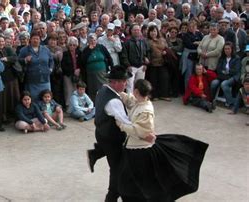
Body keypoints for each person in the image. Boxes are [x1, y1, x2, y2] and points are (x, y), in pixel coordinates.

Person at [117, 79, 208, 201]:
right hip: (133, 148)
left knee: (137, 182)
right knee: (131, 181)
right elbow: (130, 100)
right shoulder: (139, 101)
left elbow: (140, 131)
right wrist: (118, 93)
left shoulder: (146, 110)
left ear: (137, 91)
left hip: (140, 152)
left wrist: (121, 125)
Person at [87, 65, 130, 201]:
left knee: (113, 158)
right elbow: (126, 123)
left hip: (101, 132)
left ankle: (96, 152)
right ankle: (111, 197)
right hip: (111, 137)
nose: (126, 83)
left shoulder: (103, 90)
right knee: (117, 168)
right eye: (124, 81)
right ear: (115, 82)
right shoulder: (113, 101)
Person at [18, 31, 54, 101]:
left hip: (45, 78)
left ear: (40, 40)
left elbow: (51, 60)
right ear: (30, 39)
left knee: (46, 97)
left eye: (37, 39)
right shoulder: (24, 50)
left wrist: (51, 69)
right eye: (34, 38)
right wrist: (25, 60)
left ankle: (45, 110)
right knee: (33, 97)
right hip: (32, 80)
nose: (35, 40)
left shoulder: (45, 49)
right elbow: (18, 60)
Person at [79, 34, 113, 101]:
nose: (93, 42)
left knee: (104, 87)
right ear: (88, 41)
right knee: (93, 89)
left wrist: (111, 67)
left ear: (96, 40)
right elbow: (82, 61)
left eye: (94, 40)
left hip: (102, 73)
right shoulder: (86, 50)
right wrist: (89, 50)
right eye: (91, 40)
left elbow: (109, 57)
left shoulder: (101, 47)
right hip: (91, 74)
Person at [121, 24, 150, 93]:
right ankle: (130, 102)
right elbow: (124, 55)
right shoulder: (127, 42)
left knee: (140, 85)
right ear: (131, 31)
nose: (137, 31)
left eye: (138, 30)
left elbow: (148, 52)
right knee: (130, 85)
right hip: (131, 67)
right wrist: (128, 65)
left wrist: (146, 64)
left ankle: (139, 100)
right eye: (135, 30)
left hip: (141, 66)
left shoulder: (143, 41)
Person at [211, 42, 241, 108]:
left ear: (232, 49)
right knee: (213, 83)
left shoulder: (236, 58)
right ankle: (212, 100)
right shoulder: (222, 58)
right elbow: (218, 69)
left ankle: (230, 103)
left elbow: (235, 70)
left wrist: (226, 71)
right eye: (225, 49)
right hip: (222, 76)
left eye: (228, 49)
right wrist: (225, 72)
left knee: (224, 84)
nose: (227, 50)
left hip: (233, 77)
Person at [146, 25, 171, 101]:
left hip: (163, 62)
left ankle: (164, 95)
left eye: (154, 31)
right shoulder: (147, 41)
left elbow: (167, 48)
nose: (153, 33)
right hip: (152, 63)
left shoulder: (162, 39)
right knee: (153, 80)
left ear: (157, 31)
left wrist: (165, 52)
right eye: (151, 31)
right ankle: (155, 95)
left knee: (164, 78)